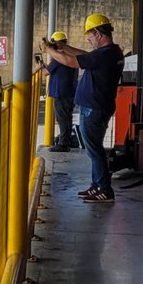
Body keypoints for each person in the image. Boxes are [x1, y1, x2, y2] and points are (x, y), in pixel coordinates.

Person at [42, 14, 125, 203]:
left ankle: (104, 188)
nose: (87, 39)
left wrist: (49, 50)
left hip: (94, 108)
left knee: (94, 150)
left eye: (89, 35)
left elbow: (72, 61)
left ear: (98, 33)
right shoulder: (111, 52)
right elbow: (85, 56)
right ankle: (97, 185)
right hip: (97, 106)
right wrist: (62, 47)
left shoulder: (105, 54)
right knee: (93, 149)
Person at [42, 31, 79, 152]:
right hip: (69, 91)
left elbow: (46, 72)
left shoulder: (59, 58)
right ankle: (65, 139)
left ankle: (64, 143)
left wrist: (39, 66)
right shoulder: (70, 56)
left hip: (61, 93)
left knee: (62, 118)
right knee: (66, 117)